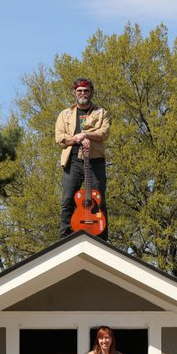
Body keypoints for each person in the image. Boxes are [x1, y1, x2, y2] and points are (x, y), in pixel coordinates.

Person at [55, 77, 111, 240]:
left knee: (98, 199)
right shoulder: (65, 114)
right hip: (72, 161)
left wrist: (86, 134)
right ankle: (65, 238)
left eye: (86, 91)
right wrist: (77, 139)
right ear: (74, 93)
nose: (83, 94)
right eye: (79, 91)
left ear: (91, 93)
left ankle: (101, 238)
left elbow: (103, 133)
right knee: (67, 199)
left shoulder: (101, 113)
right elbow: (59, 137)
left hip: (94, 161)